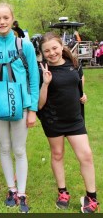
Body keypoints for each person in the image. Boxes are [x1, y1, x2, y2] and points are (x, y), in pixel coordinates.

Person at [0, 3, 39, 213]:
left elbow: (34, 78)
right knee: (4, 148)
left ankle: (22, 193)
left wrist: (32, 110)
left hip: (21, 106)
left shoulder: (25, 47)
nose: (2, 22)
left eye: (5, 18)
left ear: (12, 18)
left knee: (19, 149)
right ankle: (11, 189)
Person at [38, 32, 99, 213]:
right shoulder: (42, 69)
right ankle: (63, 192)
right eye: (47, 50)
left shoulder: (74, 64)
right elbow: (40, 104)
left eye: (55, 48)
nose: (52, 53)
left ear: (61, 46)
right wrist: (46, 83)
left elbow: (79, 83)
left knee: (86, 156)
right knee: (57, 155)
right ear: (42, 52)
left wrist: (82, 95)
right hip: (52, 119)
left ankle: (91, 197)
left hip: (74, 119)